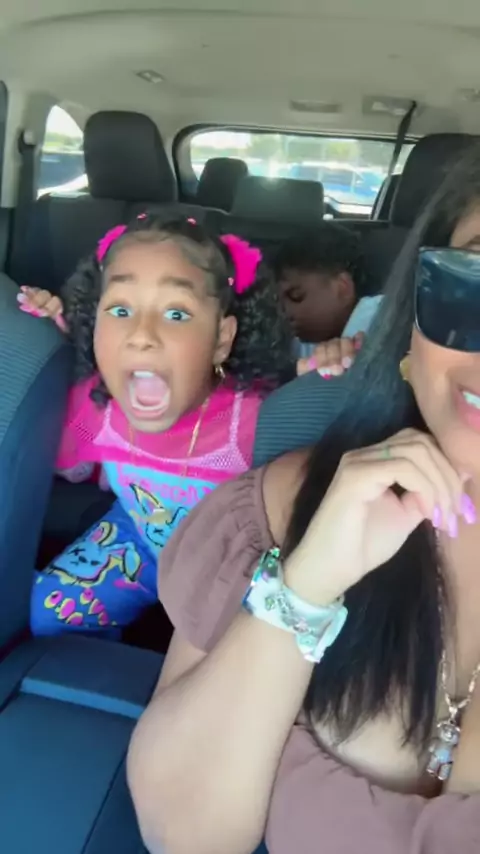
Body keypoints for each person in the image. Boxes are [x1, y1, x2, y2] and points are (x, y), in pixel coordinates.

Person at [127, 148, 480, 854]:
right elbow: (185, 835)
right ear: (414, 316)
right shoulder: (280, 511)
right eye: (474, 285)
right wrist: (304, 585)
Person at [19, 214, 291, 636]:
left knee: (249, 648)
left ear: (221, 339)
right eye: (120, 310)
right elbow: (54, 449)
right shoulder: (96, 407)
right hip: (140, 541)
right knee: (43, 616)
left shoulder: (257, 421)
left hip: (232, 566)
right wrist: (46, 341)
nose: (141, 334)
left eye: (176, 313)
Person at [274, 223, 382, 365]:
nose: (285, 312)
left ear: (343, 288)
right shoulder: (309, 338)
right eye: (279, 301)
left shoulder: (383, 322)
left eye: (296, 295)